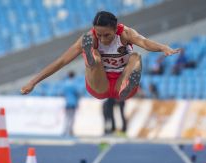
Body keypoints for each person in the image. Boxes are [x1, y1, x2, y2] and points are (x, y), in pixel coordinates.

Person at [20, 11, 180, 101]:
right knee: (94, 55)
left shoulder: (125, 34)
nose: (102, 39)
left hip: (121, 83)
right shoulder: (89, 39)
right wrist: (33, 82)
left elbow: (144, 43)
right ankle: (92, 60)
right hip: (99, 84)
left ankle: (126, 88)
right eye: (99, 34)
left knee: (136, 57)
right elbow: (62, 61)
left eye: (107, 35)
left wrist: (163, 47)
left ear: (116, 28)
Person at [62, 71, 80, 136]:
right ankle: (70, 131)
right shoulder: (74, 83)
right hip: (73, 102)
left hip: (67, 102)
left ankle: (64, 130)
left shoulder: (65, 83)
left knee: (66, 117)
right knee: (72, 118)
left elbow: (63, 93)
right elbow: (77, 93)